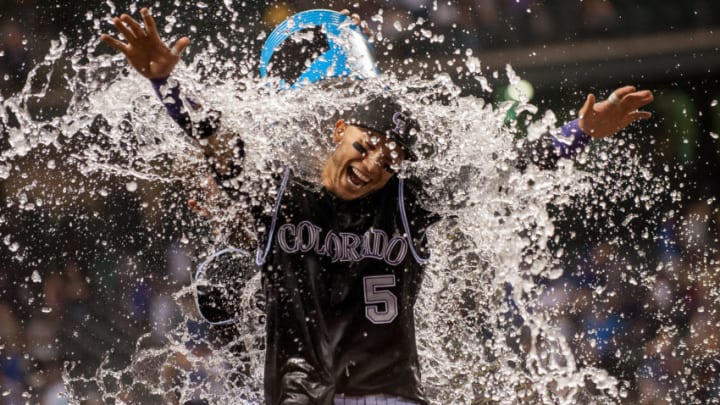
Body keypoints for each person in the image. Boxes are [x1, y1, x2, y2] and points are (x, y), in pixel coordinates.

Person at [101, 7, 654, 405]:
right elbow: (217, 138)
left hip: (390, 394)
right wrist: (166, 83)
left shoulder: (411, 202)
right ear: (340, 131)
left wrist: (579, 131)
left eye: (386, 162)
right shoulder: (279, 195)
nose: (370, 167)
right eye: (363, 148)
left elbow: (504, 177)